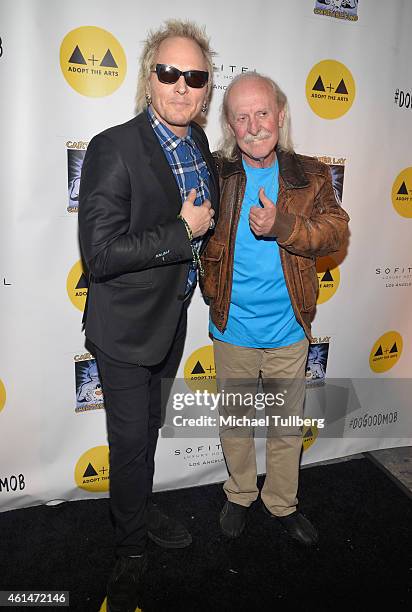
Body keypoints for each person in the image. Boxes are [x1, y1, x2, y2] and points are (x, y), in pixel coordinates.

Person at [78, 20, 218, 612]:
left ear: (207, 89)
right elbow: (101, 254)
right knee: (130, 441)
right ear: (148, 79)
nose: (181, 87)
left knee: (146, 436)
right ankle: (129, 545)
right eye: (169, 73)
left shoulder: (199, 146)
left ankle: (137, 503)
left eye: (195, 77)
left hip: (170, 320)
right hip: (126, 330)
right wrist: (181, 232)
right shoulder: (115, 147)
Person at [201, 72, 349, 546]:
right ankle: (241, 493)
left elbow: (335, 232)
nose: (254, 125)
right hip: (233, 331)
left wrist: (283, 223)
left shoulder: (310, 174)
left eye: (262, 112)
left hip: (289, 330)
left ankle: (282, 503)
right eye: (241, 117)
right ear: (229, 124)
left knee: (286, 430)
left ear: (281, 115)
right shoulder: (215, 173)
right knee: (237, 425)